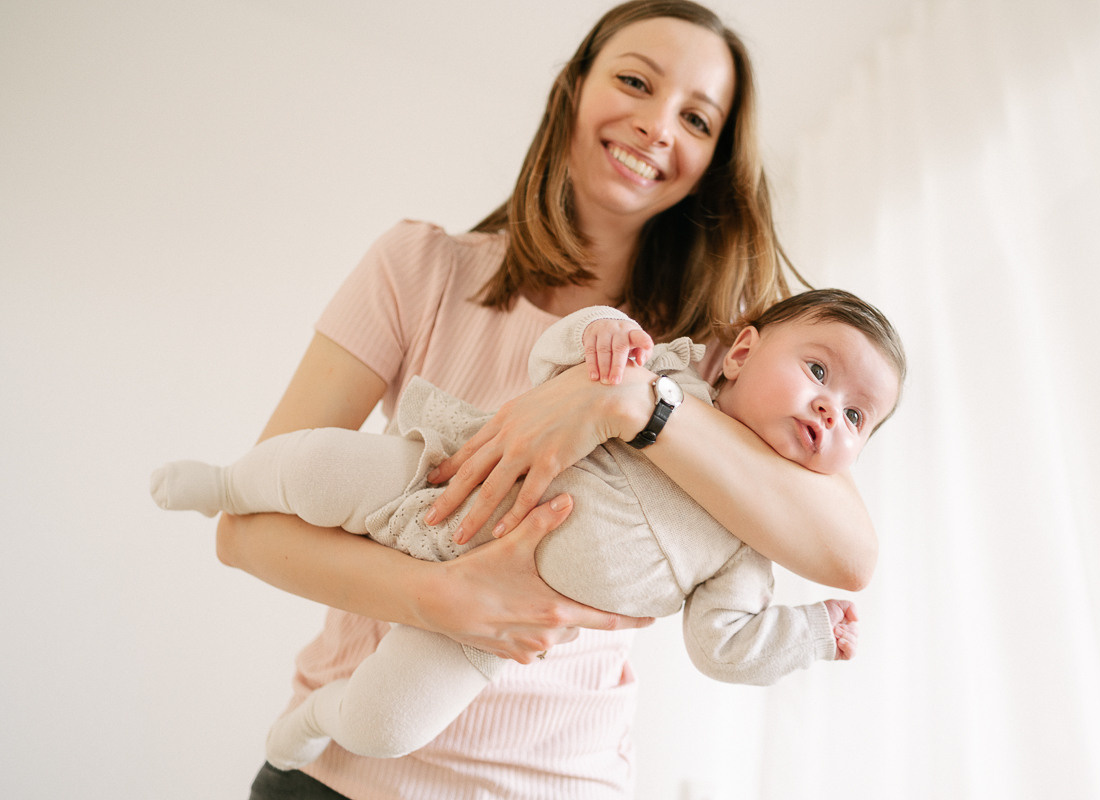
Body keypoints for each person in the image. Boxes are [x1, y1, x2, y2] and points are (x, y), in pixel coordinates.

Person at [209, 2, 882, 797]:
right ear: (573, 89)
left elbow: (849, 553)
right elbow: (245, 531)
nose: (657, 126)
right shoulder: (419, 269)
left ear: (712, 162)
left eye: (697, 120)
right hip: (337, 772)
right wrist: (441, 599)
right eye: (635, 81)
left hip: (557, 780)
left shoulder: (719, 357)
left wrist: (633, 407)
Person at [152, 289, 904, 770]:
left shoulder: (748, 547)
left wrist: (808, 633)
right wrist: (606, 336)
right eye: (818, 372)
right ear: (741, 353)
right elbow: (554, 357)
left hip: (491, 629)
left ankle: (321, 714)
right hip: (439, 484)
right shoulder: (668, 375)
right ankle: (221, 481)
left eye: (855, 417)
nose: (827, 410)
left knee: (386, 725)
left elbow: (722, 644)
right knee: (316, 468)